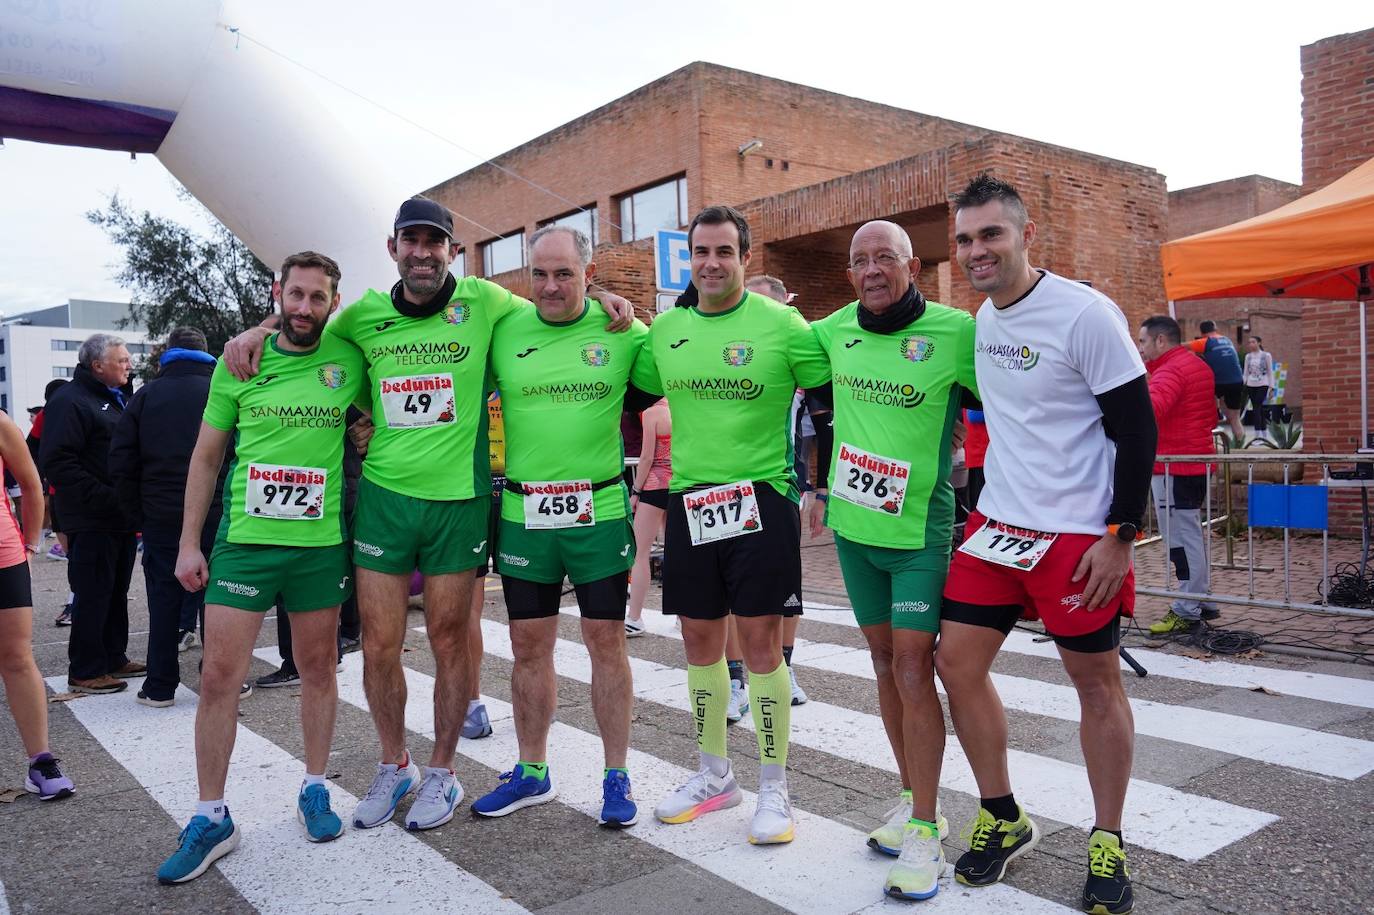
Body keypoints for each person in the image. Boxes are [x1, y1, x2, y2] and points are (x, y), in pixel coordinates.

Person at [221, 197, 634, 833]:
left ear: (451, 251)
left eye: (434, 242)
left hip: (459, 504)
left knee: (448, 640)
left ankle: (443, 769)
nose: (423, 252)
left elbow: (559, 307)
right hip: (386, 502)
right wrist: (253, 330)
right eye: (410, 241)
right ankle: (396, 764)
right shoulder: (360, 316)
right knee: (381, 644)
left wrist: (606, 296)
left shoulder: (488, 304)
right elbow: (296, 332)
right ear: (393, 249)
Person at [937, 174, 1155, 915]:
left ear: (1028, 235)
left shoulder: (1086, 314)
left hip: (1076, 535)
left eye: (990, 234)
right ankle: (1004, 815)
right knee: (954, 663)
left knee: (1095, 683)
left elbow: (1138, 429)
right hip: (997, 528)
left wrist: (1121, 535)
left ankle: (1108, 838)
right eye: (965, 239)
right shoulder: (984, 318)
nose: (976, 251)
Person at [156, 252, 365, 884]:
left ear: (334, 301)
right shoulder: (240, 360)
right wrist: (188, 543)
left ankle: (314, 786)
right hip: (245, 544)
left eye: (317, 298)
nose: (304, 308)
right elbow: (205, 457)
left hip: (317, 546)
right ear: (278, 294)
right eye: (294, 295)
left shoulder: (350, 358)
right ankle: (211, 814)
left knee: (318, 668)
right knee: (220, 674)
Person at [630, 205, 830, 845]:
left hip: (760, 499)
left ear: (745, 257)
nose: (712, 263)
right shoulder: (667, 330)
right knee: (697, 643)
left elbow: (829, 406)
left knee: (762, 645)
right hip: (691, 502)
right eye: (701, 252)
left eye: (724, 252)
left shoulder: (782, 324)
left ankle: (775, 788)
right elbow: (624, 383)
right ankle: (716, 776)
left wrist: (821, 484)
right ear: (690, 258)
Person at [805, 221, 977, 900]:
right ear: (850, 273)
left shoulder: (955, 331)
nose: (872, 269)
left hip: (918, 534)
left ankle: (929, 831)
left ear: (912, 264)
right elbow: (757, 328)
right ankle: (910, 801)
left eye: (885, 257)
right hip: (854, 530)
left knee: (913, 665)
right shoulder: (832, 330)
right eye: (860, 261)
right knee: (882, 664)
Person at [471, 224, 651, 829]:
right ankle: (531, 771)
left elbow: (681, 372)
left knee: (607, 645)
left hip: (597, 516)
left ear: (589, 274)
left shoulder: (622, 332)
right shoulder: (503, 331)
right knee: (528, 648)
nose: (550, 286)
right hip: (525, 518)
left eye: (565, 274)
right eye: (540, 274)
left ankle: (616, 775)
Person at [110, 326, 221, 706]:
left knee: (163, 599)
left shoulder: (145, 396)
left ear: (169, 354)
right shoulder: (221, 390)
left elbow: (121, 461)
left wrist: (136, 513)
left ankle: (159, 685)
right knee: (219, 599)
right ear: (207, 354)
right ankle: (220, 678)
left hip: (160, 513)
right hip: (218, 511)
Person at [39, 333, 144, 695]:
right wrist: (107, 497)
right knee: (94, 591)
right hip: (92, 516)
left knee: (115, 591)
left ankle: (113, 656)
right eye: (122, 360)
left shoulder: (114, 398)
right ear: (97, 365)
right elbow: (58, 461)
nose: (129, 366)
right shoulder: (71, 400)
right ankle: (85, 668)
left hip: (119, 516)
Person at [0, 409, 76, 801]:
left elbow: (32, 486)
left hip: (4, 557)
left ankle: (41, 762)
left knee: (16, 657)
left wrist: (29, 546)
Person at [1138, 316, 1220, 633]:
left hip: (1175, 466)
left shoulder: (1171, 370)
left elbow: (1149, 410)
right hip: (1192, 462)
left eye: (1143, 341)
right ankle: (1201, 599)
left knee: (1181, 540)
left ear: (1161, 340)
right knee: (1189, 535)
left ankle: (1187, 607)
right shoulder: (1195, 364)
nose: (1140, 348)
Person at [626, 397, 672, 637]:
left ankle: (635, 617)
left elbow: (646, 458)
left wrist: (636, 491)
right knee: (678, 552)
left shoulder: (653, 414)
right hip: (680, 485)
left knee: (640, 551)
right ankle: (684, 615)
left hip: (654, 486)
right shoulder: (681, 407)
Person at [1189, 320, 1245, 441]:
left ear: (1202, 333)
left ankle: (1217, 412)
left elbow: (1178, 346)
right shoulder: (1227, 340)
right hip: (1237, 381)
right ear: (1215, 329)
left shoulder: (1204, 342)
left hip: (1219, 382)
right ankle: (1241, 446)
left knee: (1207, 390)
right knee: (1235, 418)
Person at [1242, 336, 1274, 436]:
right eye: (1249, 342)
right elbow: (1246, 373)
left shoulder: (1266, 355)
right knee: (1258, 408)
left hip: (1263, 384)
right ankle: (1264, 432)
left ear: (1259, 343)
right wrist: (1243, 384)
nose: (1251, 344)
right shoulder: (1248, 356)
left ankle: (1257, 433)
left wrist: (1271, 387)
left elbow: (1270, 372)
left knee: (1256, 406)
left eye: (1253, 342)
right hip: (1251, 385)